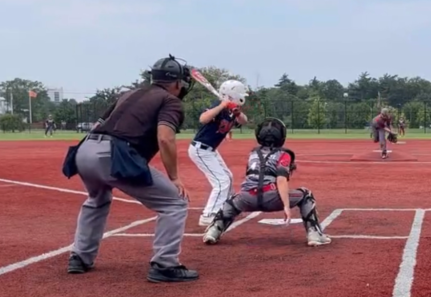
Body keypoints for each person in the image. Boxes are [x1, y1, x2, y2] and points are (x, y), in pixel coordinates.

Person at [64, 55, 197, 283]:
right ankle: (165, 265)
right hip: (112, 154)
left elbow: (98, 125)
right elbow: (165, 138)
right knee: (175, 202)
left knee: (97, 199)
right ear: (177, 82)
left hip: (84, 151)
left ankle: (79, 257)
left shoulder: (128, 94)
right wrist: (174, 177)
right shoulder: (170, 101)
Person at [203, 118, 331, 247]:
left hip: (247, 198)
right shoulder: (284, 154)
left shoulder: (253, 153)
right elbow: (281, 180)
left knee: (232, 201)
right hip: (271, 198)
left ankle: (214, 231)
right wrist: (286, 206)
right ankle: (314, 234)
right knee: (306, 194)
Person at [189, 80, 249, 227]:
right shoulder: (218, 105)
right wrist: (222, 105)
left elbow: (245, 121)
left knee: (228, 176)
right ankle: (208, 215)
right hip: (201, 149)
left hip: (211, 150)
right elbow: (203, 119)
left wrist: (237, 112)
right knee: (221, 181)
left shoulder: (232, 110)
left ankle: (227, 207)